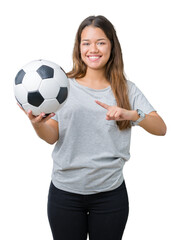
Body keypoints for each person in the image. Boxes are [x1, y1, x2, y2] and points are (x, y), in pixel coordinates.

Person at [21, 15, 166, 240]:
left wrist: (132, 114)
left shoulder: (126, 89)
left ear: (112, 46)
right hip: (65, 194)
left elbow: (160, 128)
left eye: (101, 42)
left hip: (110, 195)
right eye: (86, 42)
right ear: (79, 48)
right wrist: (36, 125)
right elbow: (51, 137)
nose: (93, 49)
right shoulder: (60, 86)